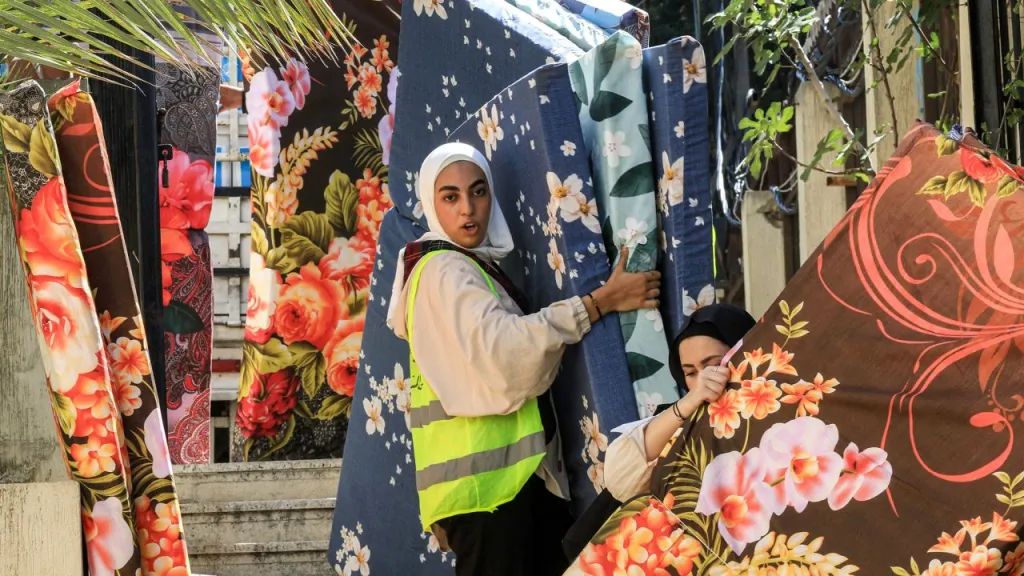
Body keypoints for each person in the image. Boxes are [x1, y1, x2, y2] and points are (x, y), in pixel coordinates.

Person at [385, 142, 661, 576]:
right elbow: (505, 356)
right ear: (430, 204)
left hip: (498, 493)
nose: (468, 209)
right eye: (450, 196)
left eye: (478, 191)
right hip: (494, 496)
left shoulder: (463, 268)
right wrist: (599, 303)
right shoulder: (444, 270)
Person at [602, 303, 756, 502]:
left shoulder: (790, 398)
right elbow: (621, 480)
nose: (703, 379)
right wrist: (690, 401)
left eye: (715, 365)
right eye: (691, 373)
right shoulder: (683, 422)